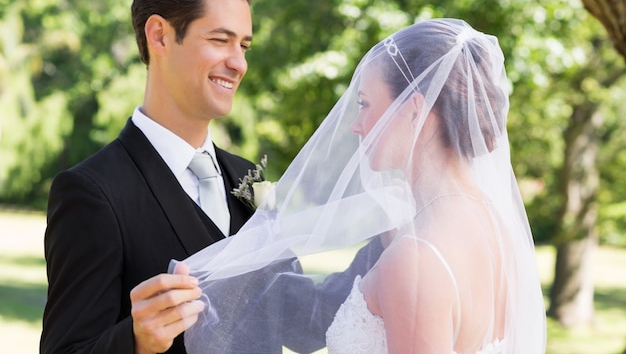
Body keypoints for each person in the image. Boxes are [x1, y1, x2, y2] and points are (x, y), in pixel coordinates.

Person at [176, 18, 547, 354]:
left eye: (366, 104)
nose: (356, 125)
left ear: (416, 110)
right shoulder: (493, 225)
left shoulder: (416, 258)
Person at [41, 0, 260, 354]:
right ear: (159, 35)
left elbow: (297, 319)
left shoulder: (250, 178)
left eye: (244, 45)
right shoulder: (92, 192)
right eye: (220, 40)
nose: (238, 63)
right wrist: (136, 340)